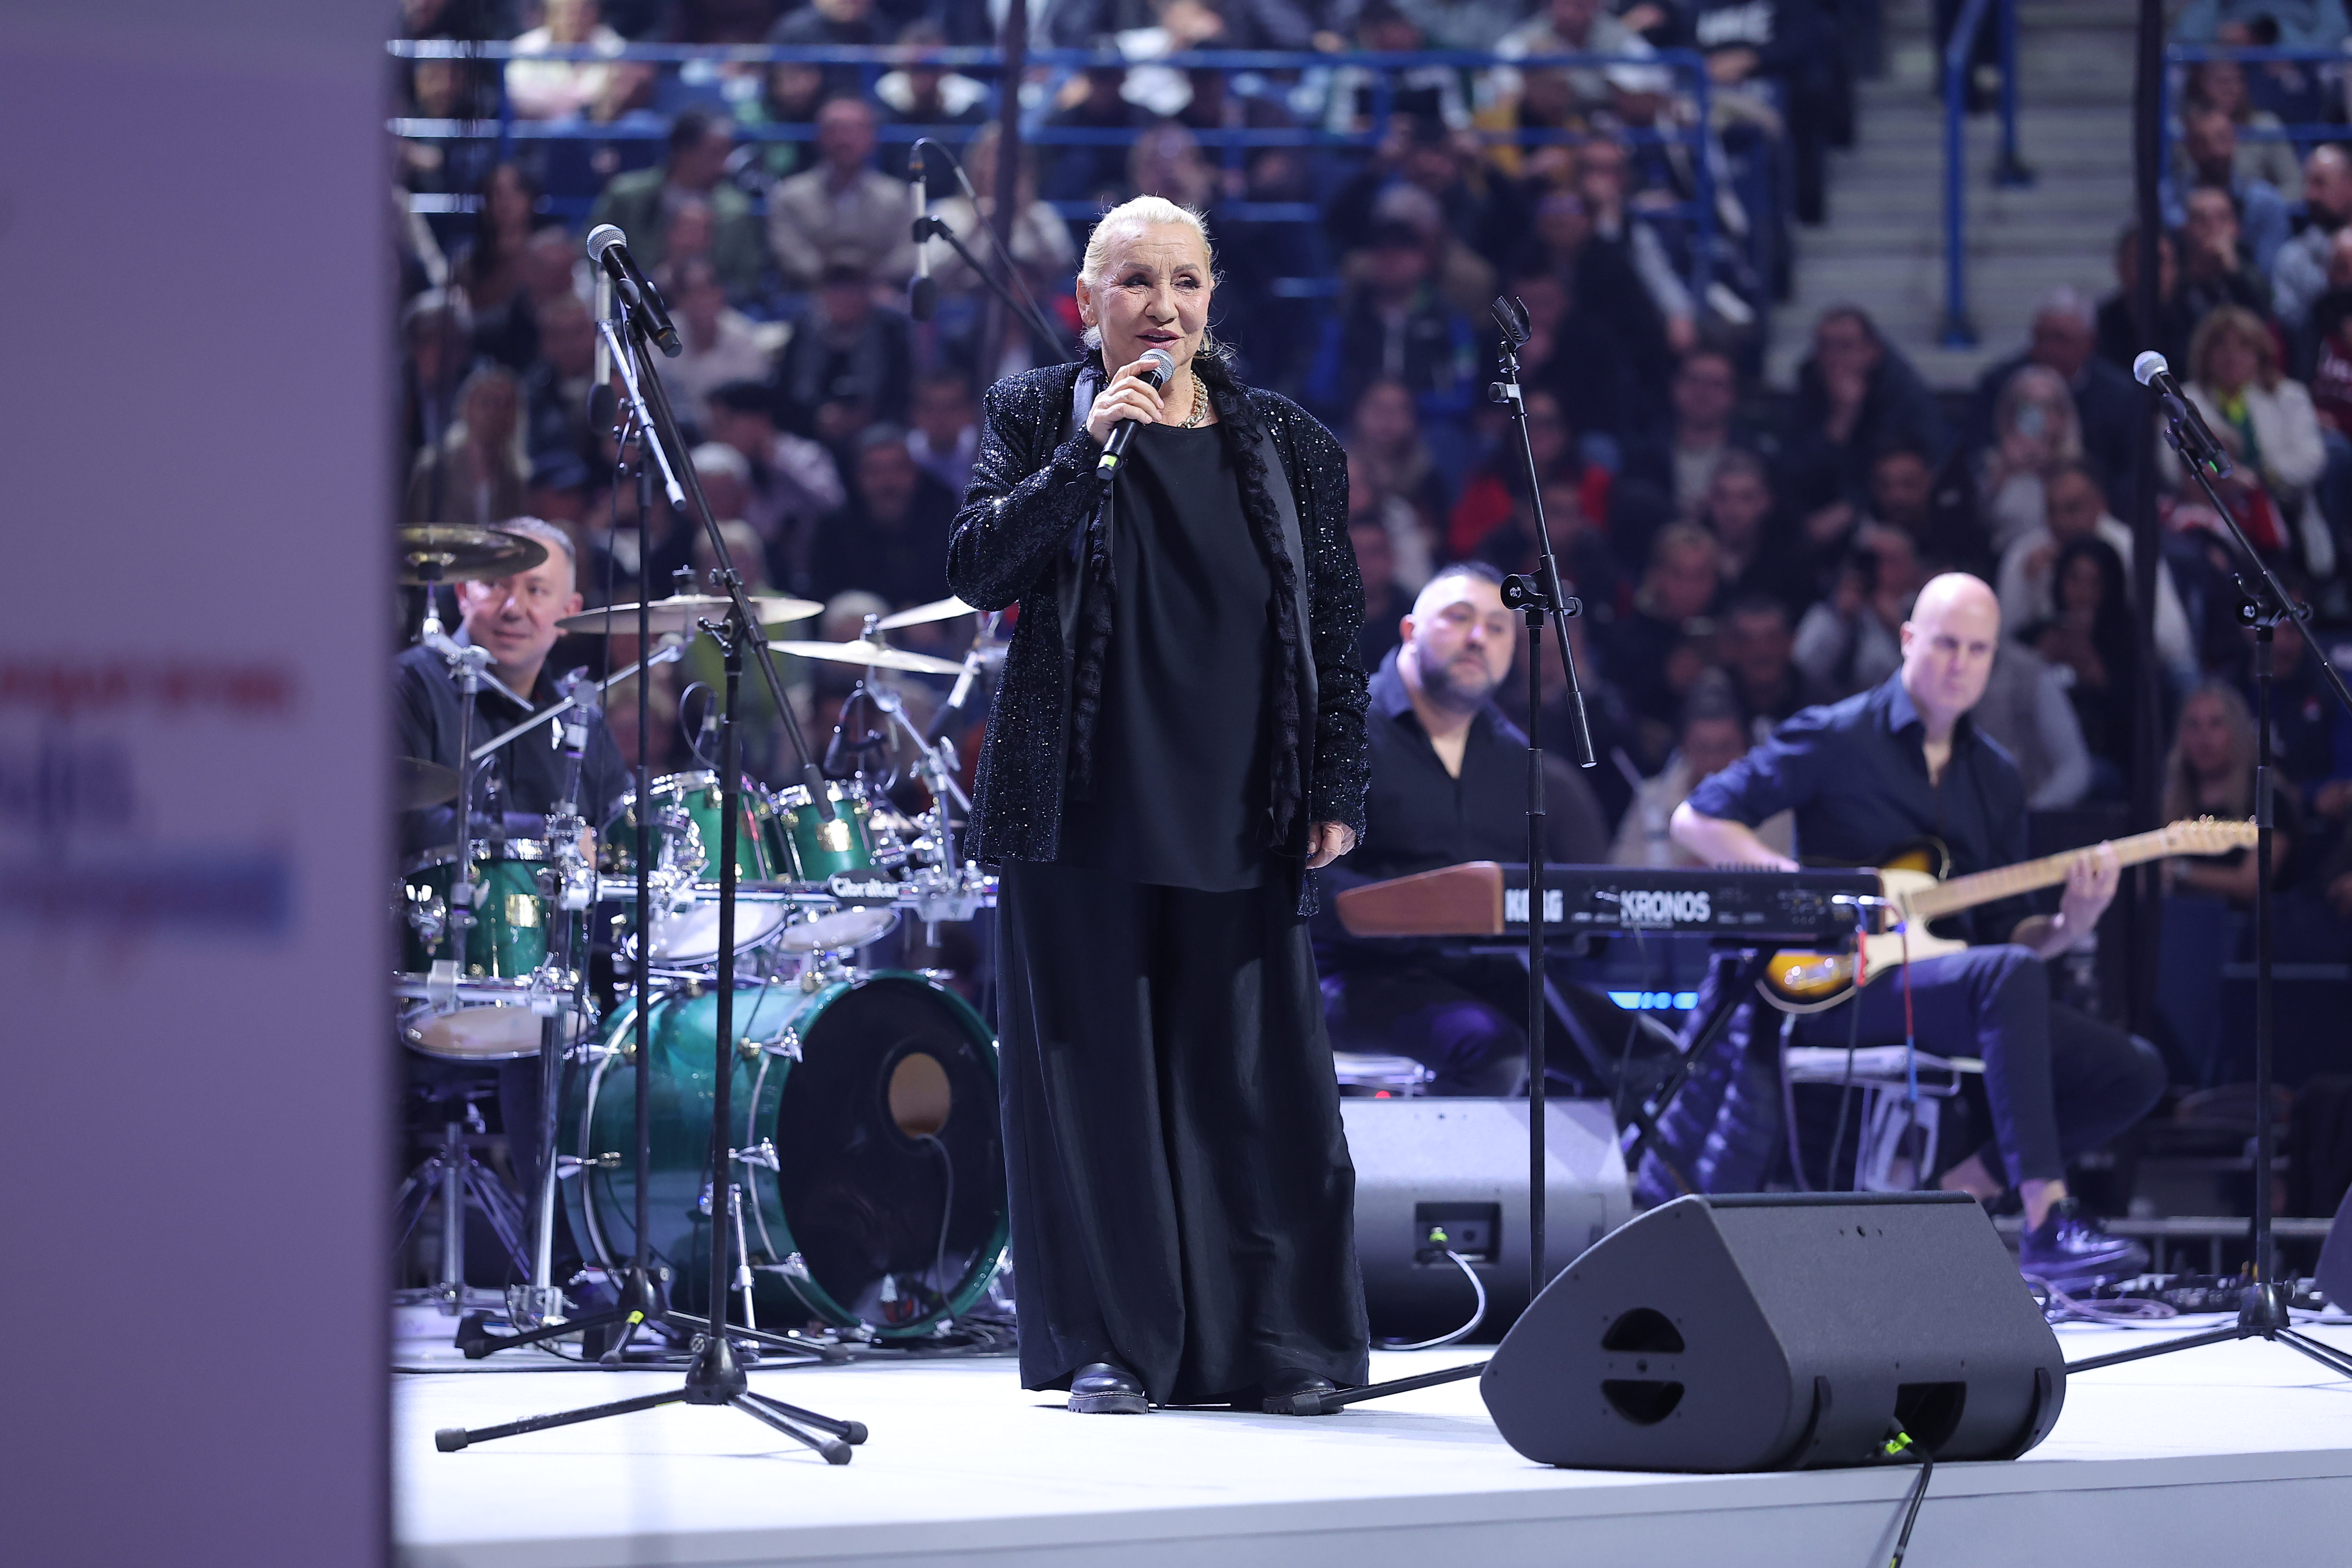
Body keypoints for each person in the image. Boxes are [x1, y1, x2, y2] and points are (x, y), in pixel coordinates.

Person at [945, 194, 1372, 1416]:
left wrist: (1336, 782)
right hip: (1081, 802)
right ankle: (1116, 1345)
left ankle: (1275, 1344)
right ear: (1087, 306)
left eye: (1183, 281)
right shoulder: (1037, 411)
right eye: (1134, 282)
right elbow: (977, 566)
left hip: (1241, 791)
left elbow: (1332, 629)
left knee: (1249, 1079)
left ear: (1212, 300)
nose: (1162, 306)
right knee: (1102, 1087)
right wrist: (1087, 450)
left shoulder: (1287, 441)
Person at [1671, 573, 2168, 1285]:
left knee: (2135, 1071)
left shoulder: (1996, 777)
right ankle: (2046, 1221)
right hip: (1836, 988)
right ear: (1908, 641)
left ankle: (1955, 1192)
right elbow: (1699, 817)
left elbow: (2009, 940)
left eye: (1978, 650)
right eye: (1944, 645)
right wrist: (1803, 887)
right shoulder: (1837, 735)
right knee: (2004, 976)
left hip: (1943, 986)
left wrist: (2068, 922)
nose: (1960, 664)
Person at [394, 519, 628, 1203]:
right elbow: (400, 821)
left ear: (570, 611)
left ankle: (598, 1248)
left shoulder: (574, 714)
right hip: (428, 962)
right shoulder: (415, 686)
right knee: (548, 1015)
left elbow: (615, 827)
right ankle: (557, 1258)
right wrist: (551, 838)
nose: (513, 606)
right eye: (496, 584)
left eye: (536, 589)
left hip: (556, 969)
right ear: (463, 590)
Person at [1318, 562, 1613, 1093]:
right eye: (1459, 618)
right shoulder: (1341, 731)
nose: (1478, 638)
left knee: (1644, 1049)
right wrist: (1418, 908)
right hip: (1357, 975)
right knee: (1491, 1048)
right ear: (1410, 631)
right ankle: (1443, 1181)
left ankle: (1629, 1180)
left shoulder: (1519, 759)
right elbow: (1309, 875)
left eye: (1498, 628)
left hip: (1493, 974)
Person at [587, 111, 768, 301]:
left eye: (726, 153)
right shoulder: (626, 196)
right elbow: (594, 259)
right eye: (714, 154)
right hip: (634, 311)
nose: (723, 166)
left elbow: (749, 279)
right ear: (683, 151)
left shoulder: (737, 209)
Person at [1612, 678, 1792, 867]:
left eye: (1725, 748)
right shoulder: (1652, 800)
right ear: (1684, 749)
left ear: (1745, 748)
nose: (1714, 761)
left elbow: (1790, 871)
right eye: (1703, 748)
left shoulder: (1774, 804)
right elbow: (1621, 867)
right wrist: (1684, 874)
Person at [765, 96, 920, 291]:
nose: (844, 139)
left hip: (879, 297)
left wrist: (866, 286)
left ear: (872, 138)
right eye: (835, 129)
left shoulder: (896, 197)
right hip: (810, 297)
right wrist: (836, 286)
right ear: (819, 136)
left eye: (855, 129)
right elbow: (789, 252)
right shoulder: (790, 196)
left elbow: (907, 252)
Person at [811, 425, 958, 607]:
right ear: (858, 477)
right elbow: (825, 595)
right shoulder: (834, 531)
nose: (888, 482)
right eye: (875, 472)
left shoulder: (946, 522)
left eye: (897, 469)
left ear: (914, 474)